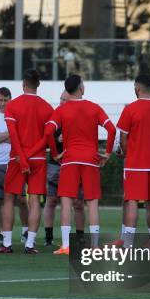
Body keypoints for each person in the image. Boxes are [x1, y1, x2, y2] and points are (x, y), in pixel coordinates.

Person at [46, 75, 115, 255]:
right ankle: (94, 246)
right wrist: (107, 153)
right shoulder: (94, 107)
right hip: (91, 159)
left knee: (66, 201)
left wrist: (55, 154)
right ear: (80, 88)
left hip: (70, 159)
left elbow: (48, 132)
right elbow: (111, 129)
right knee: (91, 202)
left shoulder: (62, 109)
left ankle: (66, 246)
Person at [0, 69, 53, 254]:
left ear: (23, 84)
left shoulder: (13, 105)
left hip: (17, 158)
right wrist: (31, 154)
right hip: (38, 158)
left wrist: (22, 156)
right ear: (38, 85)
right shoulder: (47, 107)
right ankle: (30, 244)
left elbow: (13, 134)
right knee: (34, 200)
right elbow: (47, 137)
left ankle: (7, 243)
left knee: (9, 199)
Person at [115, 75, 150, 249]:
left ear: (137, 88)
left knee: (132, 201)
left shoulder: (130, 109)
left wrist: (130, 153)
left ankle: (128, 244)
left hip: (135, 164)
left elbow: (123, 137)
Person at [0, 87, 30, 246]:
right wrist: (10, 134)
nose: (3, 103)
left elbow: (20, 138)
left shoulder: (16, 114)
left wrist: (0, 136)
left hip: (15, 161)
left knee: (21, 198)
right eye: (0, 100)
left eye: (6, 100)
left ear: (10, 100)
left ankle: (25, 230)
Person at [43, 90, 85, 247]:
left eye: (65, 100)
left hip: (75, 163)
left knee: (78, 202)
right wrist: (56, 138)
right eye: (61, 99)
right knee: (51, 200)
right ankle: (48, 238)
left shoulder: (80, 115)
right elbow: (45, 137)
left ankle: (80, 237)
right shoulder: (54, 115)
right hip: (56, 164)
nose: (61, 102)